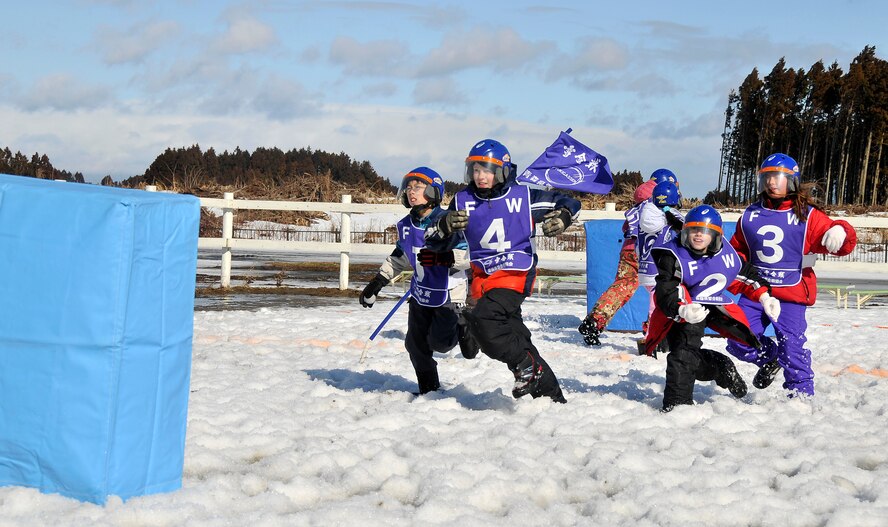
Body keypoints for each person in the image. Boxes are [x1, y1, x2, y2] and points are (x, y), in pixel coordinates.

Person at [422, 138, 581, 403]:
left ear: (502, 171)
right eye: (475, 169)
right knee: (514, 335)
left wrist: (563, 215)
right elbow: (435, 240)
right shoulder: (463, 200)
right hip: (483, 278)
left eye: (486, 170)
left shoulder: (523, 196)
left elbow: (567, 201)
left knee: (485, 320)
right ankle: (551, 396)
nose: (479, 176)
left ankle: (526, 367)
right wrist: (444, 227)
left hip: (515, 273)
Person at [725, 153, 857, 396]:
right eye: (767, 177)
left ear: (792, 180)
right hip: (756, 292)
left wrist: (841, 230)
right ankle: (771, 357)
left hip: (791, 293)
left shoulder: (807, 216)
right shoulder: (750, 216)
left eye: (778, 177)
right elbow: (736, 255)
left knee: (792, 347)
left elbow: (841, 244)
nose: (772, 183)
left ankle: (800, 394)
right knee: (737, 339)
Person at [645, 204, 779, 412]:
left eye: (705, 232)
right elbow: (667, 287)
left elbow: (745, 276)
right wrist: (681, 309)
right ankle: (719, 366)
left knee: (682, 356)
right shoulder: (672, 254)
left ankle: (678, 405)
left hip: (713, 306)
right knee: (684, 354)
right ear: (685, 231)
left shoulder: (727, 255)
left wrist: (764, 296)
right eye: (693, 230)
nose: (699, 235)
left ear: (716, 236)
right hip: (683, 308)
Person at [359, 167, 473, 395]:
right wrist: (377, 282)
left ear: (433, 191)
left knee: (440, 343)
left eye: (418, 187)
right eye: (409, 187)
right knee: (415, 345)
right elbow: (400, 257)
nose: (412, 192)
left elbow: (469, 258)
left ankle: (465, 325)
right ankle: (429, 389)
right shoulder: (405, 225)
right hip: (421, 294)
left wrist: (444, 259)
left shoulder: (448, 222)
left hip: (449, 294)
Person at [578, 168, 677, 346]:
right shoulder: (659, 203)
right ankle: (655, 331)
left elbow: (626, 228)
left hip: (629, 248)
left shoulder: (639, 203)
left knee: (622, 286)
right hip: (651, 251)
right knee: (659, 290)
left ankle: (595, 319)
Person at [635, 180, 683, 355]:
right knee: (658, 306)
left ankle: (657, 338)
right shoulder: (669, 217)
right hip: (662, 268)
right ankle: (652, 341)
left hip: (647, 268)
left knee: (656, 305)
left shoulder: (644, 214)